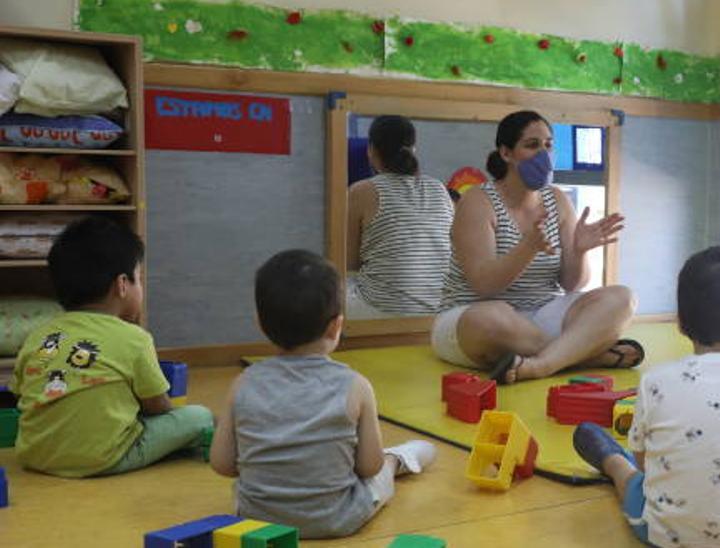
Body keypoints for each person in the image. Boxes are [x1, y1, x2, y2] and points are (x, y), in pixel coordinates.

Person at [210, 249, 437, 538]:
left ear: (260, 323)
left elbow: (222, 463)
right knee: (382, 472)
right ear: (336, 326)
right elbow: (369, 466)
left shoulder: (243, 384)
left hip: (259, 520)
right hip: (337, 517)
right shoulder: (356, 386)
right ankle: (401, 459)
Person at [572, 246, 720, 548]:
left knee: (632, 480)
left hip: (664, 535)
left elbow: (647, 466)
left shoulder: (655, 381)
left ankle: (612, 462)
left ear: (680, 323)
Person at [433, 110, 642, 384]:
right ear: (506, 153)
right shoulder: (477, 202)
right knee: (489, 318)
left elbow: (571, 284)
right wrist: (527, 248)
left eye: (548, 145)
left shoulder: (557, 200)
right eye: (532, 145)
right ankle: (589, 355)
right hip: (473, 317)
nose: (544, 154)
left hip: (543, 314)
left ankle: (541, 365)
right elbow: (484, 285)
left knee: (623, 298)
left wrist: (579, 251)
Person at [13, 216, 213, 477]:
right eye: (138, 279)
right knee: (199, 416)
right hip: (102, 457)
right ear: (121, 285)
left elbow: (21, 394)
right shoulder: (134, 338)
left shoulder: (38, 336)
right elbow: (158, 408)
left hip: (35, 455)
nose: (140, 286)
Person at [346, 115, 454, 319]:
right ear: (414, 149)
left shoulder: (362, 191)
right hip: (438, 310)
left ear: (371, 151)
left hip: (381, 309)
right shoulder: (439, 188)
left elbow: (348, 263)